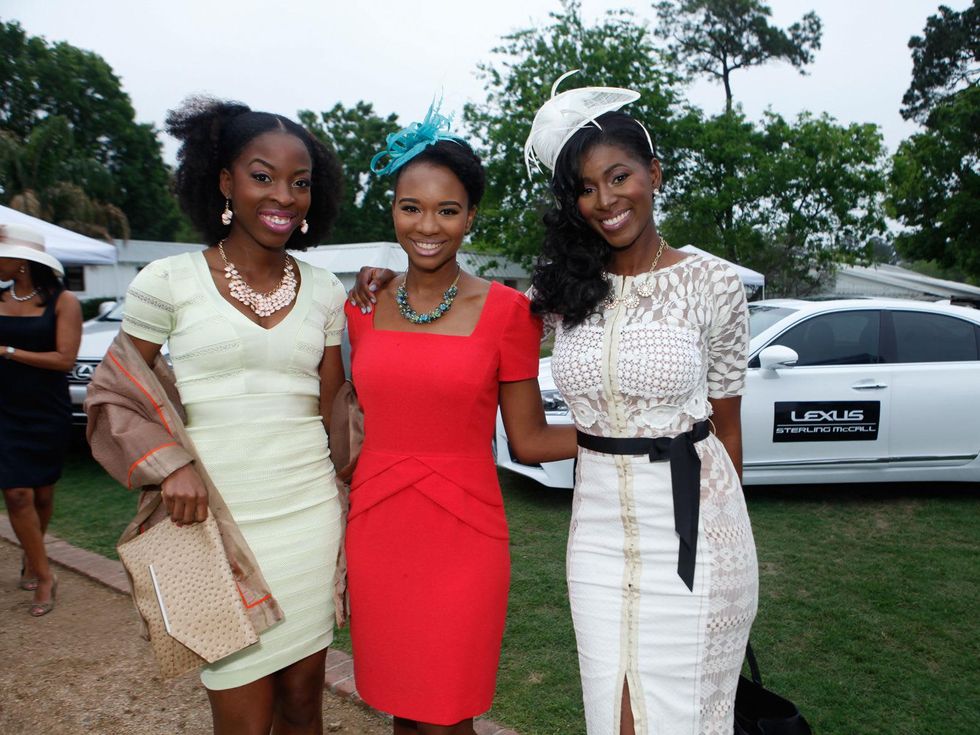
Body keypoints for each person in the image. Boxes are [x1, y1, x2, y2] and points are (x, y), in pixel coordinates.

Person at [352, 77, 759, 735]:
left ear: (653, 173)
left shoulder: (711, 281)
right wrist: (385, 282)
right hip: (596, 532)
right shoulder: (563, 290)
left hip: (693, 528)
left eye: (620, 176)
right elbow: (453, 332)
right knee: (612, 715)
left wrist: (724, 543)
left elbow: (728, 427)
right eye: (586, 188)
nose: (606, 199)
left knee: (684, 715)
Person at [90, 97, 347, 734]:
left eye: (300, 181)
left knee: (303, 709)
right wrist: (169, 463)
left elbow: (333, 407)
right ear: (226, 181)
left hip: (308, 518)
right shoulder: (167, 280)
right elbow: (113, 388)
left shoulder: (325, 290)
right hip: (210, 523)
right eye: (262, 176)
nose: (283, 195)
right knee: (239, 716)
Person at [344, 103, 575, 735]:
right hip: (379, 530)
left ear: (470, 216)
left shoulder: (508, 312)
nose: (428, 225)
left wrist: (624, 432)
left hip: (463, 536)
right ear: (392, 210)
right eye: (410, 206)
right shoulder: (361, 306)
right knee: (401, 707)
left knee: (448, 716)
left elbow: (528, 440)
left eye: (447, 210)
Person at [0, 223, 82, 617]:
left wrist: (8, 350)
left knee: (43, 494)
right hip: (4, 410)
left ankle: (32, 555)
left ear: (22, 262)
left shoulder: (63, 302)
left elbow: (64, 359)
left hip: (45, 409)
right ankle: (45, 575)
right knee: (17, 493)